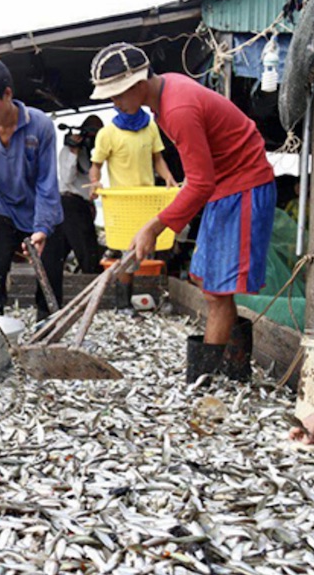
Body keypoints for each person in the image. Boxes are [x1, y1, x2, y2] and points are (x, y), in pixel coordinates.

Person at [89, 42, 276, 383]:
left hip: (244, 186)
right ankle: (230, 373)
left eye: (116, 95)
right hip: (223, 188)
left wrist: (155, 226)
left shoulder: (177, 108)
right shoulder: (167, 95)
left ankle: (206, 380)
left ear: (138, 84)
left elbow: (200, 183)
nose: (114, 103)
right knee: (207, 283)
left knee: (217, 292)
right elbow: (202, 175)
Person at [0, 59, 63, 320]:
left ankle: (48, 328)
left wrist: (41, 228)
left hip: (43, 209)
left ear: (7, 94)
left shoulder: (40, 125)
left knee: (49, 277)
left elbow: (46, 183)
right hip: (4, 209)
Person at [89, 103, 178, 310]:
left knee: (156, 247)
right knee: (127, 254)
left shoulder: (151, 128)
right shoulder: (107, 133)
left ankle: (160, 298)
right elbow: (96, 166)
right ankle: (123, 304)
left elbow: (158, 159)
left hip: (147, 201)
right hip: (123, 205)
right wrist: (95, 183)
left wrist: (168, 178)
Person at [40, 115, 104, 317]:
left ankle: (89, 302)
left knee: (81, 252)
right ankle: (50, 307)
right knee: (83, 254)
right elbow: (67, 178)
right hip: (68, 203)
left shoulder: (93, 156)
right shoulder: (67, 151)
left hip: (81, 205)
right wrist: (73, 150)